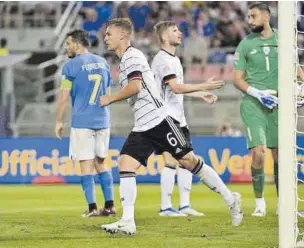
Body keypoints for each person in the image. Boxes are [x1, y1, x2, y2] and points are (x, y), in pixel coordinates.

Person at [100, 18, 243, 235]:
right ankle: (128, 221)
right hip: (142, 124)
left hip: (159, 121)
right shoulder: (128, 60)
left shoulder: (133, 56)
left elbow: (136, 86)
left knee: (190, 162)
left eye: (109, 34)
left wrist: (110, 99)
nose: (105, 38)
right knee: (125, 164)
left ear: (122, 35)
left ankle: (230, 199)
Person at [233, 2, 304, 217]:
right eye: (248, 17)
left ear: (265, 16)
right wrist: (257, 93)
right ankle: (260, 203)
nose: (249, 21)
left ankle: (283, 205)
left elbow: (294, 66)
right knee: (259, 152)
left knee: (280, 155)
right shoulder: (245, 45)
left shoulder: (282, 39)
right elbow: (236, 79)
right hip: (254, 104)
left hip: (280, 104)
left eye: (253, 16)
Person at [151, 21, 222, 217]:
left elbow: (177, 91)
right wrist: (203, 86)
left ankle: (184, 205)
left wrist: (200, 94)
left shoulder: (174, 59)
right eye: (175, 31)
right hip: (165, 119)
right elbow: (175, 88)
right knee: (171, 161)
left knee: (185, 161)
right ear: (165, 37)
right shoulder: (163, 60)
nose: (180, 33)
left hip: (178, 118)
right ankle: (165, 207)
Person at [55, 30, 115, 218]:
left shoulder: (70, 67)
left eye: (68, 43)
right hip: (103, 120)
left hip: (83, 121)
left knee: (85, 165)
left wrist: (58, 120)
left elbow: (64, 96)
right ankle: (110, 206)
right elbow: (108, 92)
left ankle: (92, 208)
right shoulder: (103, 62)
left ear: (77, 45)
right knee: (102, 163)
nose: (66, 47)